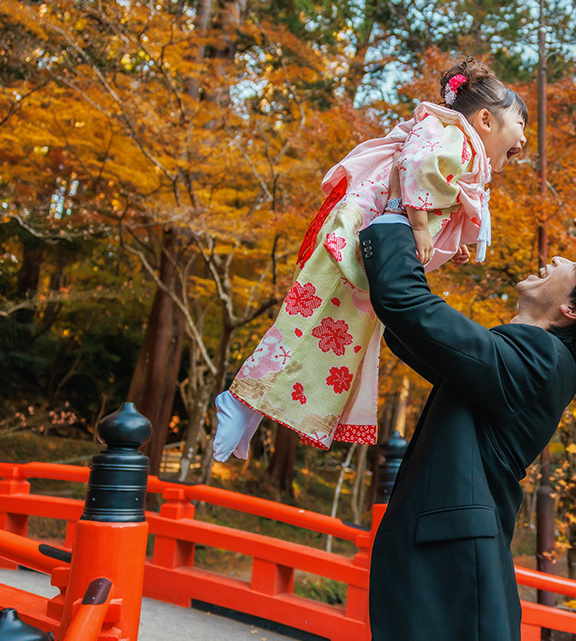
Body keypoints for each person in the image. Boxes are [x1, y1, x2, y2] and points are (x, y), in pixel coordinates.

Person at [212, 56, 528, 459]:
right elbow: (417, 166)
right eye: (520, 124)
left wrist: (449, 240)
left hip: (367, 242)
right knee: (310, 322)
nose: (523, 139)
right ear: (485, 120)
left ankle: (249, 410)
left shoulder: (461, 147)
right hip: (357, 233)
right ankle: (241, 403)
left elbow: (430, 187)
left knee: (331, 336)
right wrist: (417, 226)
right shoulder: (456, 137)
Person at [359, 217, 576, 641]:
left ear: (573, 309)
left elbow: (407, 304)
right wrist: (429, 244)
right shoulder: (531, 365)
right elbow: (410, 334)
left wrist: (400, 216)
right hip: (450, 575)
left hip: (452, 578)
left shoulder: (542, 360)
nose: (558, 258)